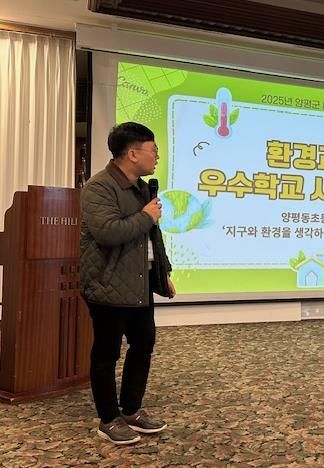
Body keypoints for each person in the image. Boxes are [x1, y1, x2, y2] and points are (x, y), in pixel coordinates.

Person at [80, 122, 176, 445]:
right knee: (107, 353)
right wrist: (146, 216)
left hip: (139, 282)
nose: (157, 156)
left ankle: (132, 410)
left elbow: (152, 238)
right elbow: (108, 232)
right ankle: (108, 419)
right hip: (107, 284)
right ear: (132, 153)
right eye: (153, 150)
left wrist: (163, 273)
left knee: (143, 344)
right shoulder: (99, 187)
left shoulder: (141, 188)